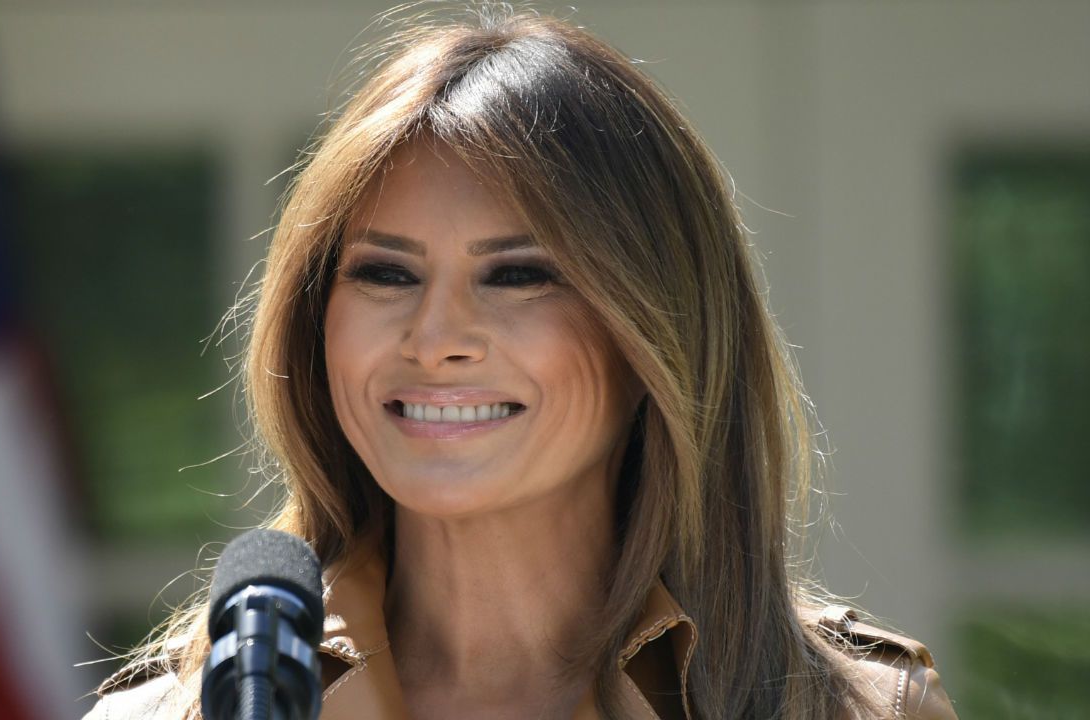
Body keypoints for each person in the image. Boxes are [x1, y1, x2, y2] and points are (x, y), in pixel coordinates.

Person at [85, 5, 957, 719]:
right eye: (387, 273)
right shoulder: (175, 715)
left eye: (521, 276)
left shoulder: (861, 711)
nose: (436, 338)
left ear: (657, 329)